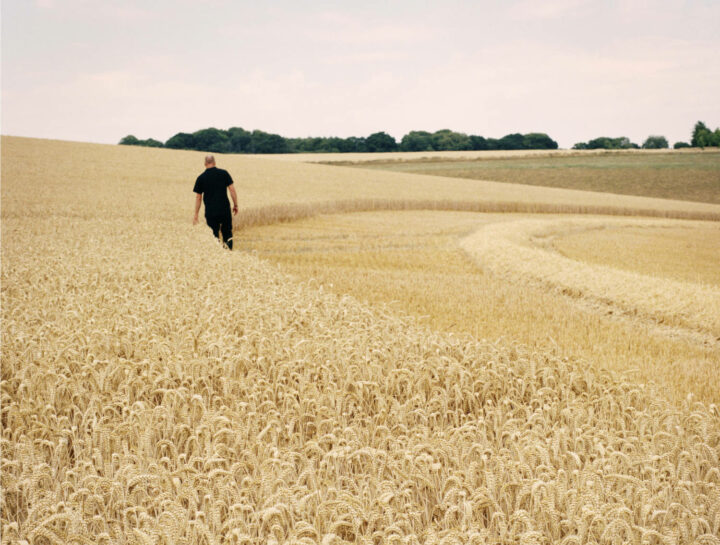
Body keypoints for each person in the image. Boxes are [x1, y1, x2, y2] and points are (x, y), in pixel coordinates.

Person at [192, 155, 238, 249]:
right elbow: (232, 190)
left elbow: (198, 197)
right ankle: (229, 253)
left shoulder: (201, 178)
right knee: (227, 232)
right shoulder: (224, 173)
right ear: (215, 162)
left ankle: (216, 255)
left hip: (210, 211)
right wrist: (235, 205)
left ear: (205, 164)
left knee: (213, 234)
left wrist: (196, 214)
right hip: (224, 209)